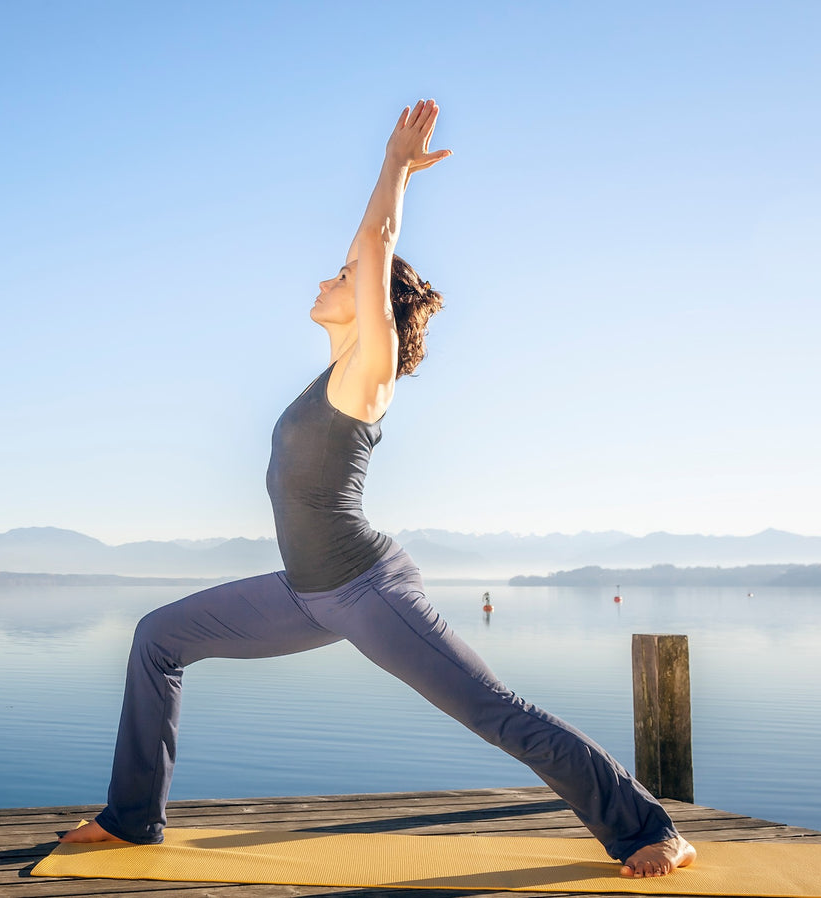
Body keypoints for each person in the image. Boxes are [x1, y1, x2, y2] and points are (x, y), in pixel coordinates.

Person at [61, 99, 696, 879]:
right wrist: (383, 191)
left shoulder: (369, 374)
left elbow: (377, 242)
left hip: (368, 591)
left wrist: (395, 165)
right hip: (303, 593)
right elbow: (368, 246)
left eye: (344, 276)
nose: (328, 276)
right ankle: (133, 820)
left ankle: (647, 829)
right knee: (157, 637)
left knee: (499, 715)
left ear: (372, 306)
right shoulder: (329, 373)